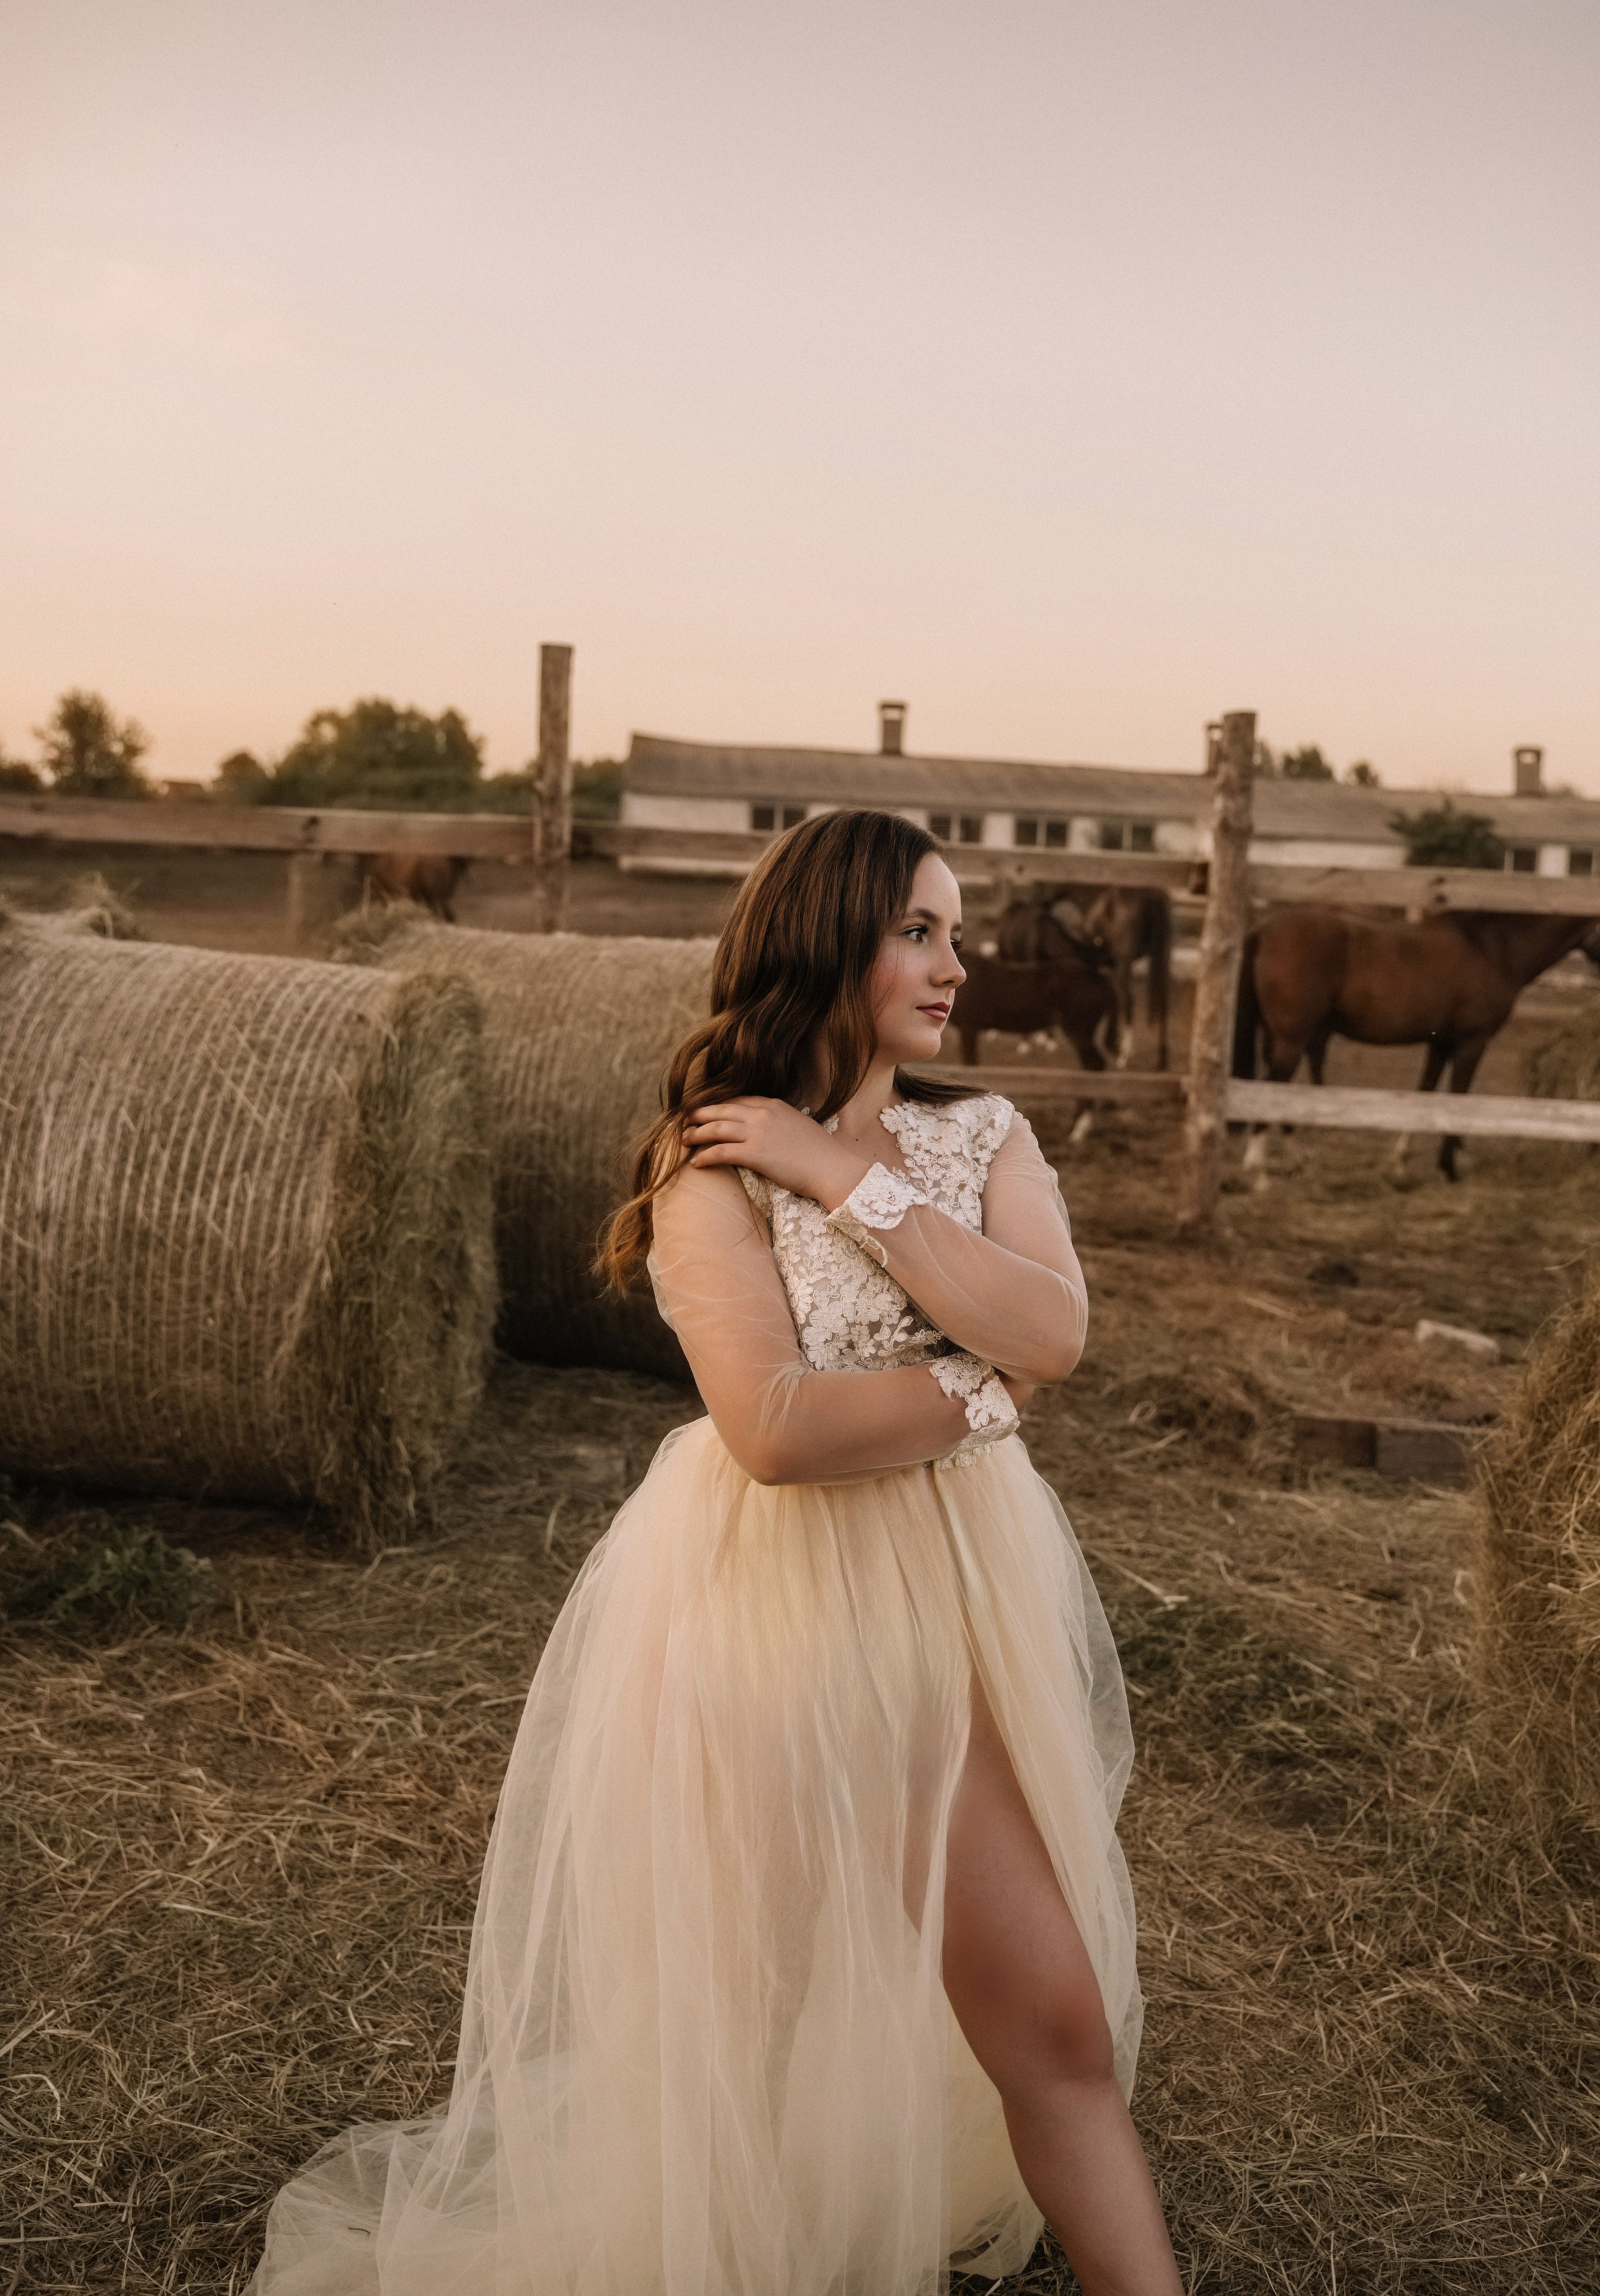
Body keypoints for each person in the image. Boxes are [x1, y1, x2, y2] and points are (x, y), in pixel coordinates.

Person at [250, 808, 1182, 2296]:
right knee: (747, 2044)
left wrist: (848, 1178)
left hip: (956, 1598)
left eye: (955, 931)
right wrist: (971, 1391)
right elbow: (772, 1426)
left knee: (1052, 2020)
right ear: (826, 940)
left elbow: (1056, 1331)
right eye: (917, 931)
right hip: (776, 1613)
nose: (958, 963)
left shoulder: (980, 1133)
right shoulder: (709, 1162)